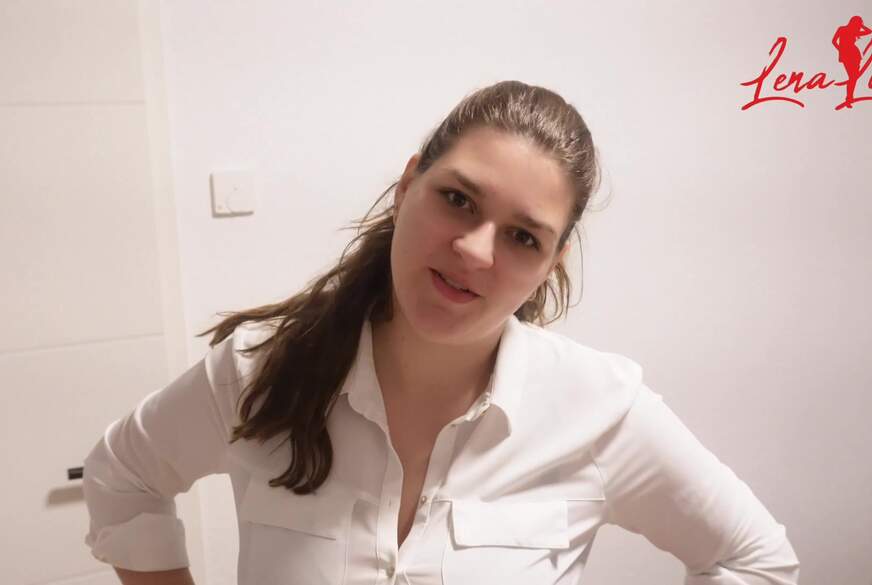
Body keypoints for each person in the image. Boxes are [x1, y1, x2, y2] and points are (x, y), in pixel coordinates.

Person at [82, 80, 800, 584]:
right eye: (458, 199)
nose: (475, 250)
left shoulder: (599, 407)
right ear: (407, 186)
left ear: (550, 264)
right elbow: (123, 477)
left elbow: (756, 559)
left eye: (523, 236)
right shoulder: (259, 371)